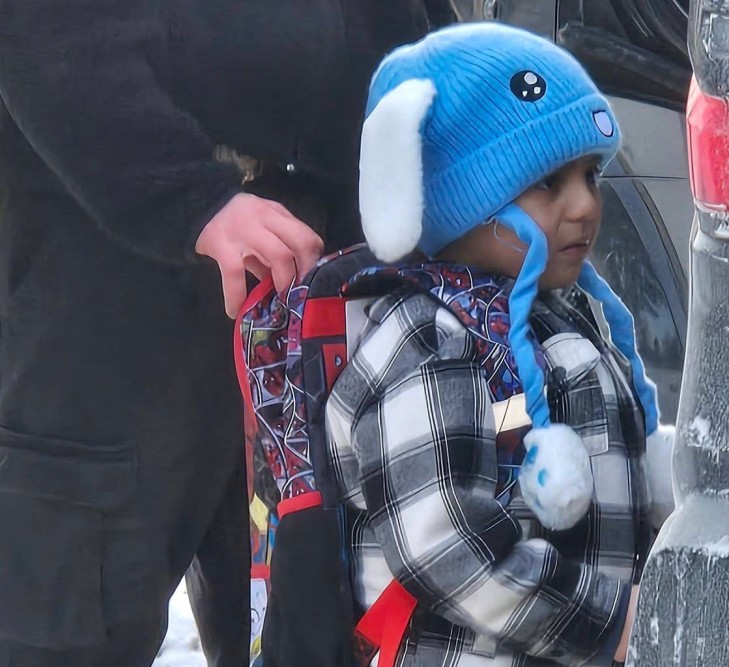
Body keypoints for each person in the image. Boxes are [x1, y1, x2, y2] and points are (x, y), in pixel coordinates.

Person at [0, 1, 444, 665]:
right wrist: (188, 196)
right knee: (72, 626)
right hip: (110, 288)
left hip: (325, 281)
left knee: (309, 622)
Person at [319, 22, 675, 666]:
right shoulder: (427, 338)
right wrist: (607, 622)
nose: (584, 206)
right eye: (548, 183)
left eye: (591, 175)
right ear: (464, 199)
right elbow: (442, 542)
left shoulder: (559, 314)